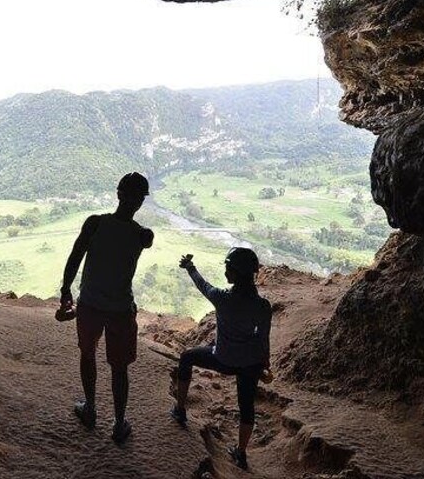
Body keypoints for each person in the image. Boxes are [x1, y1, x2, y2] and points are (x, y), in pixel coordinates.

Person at [60, 172, 154, 444]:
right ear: (140, 202)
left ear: (118, 194)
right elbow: (146, 239)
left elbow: (76, 256)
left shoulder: (94, 224)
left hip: (90, 304)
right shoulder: (142, 235)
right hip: (121, 310)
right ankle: (119, 422)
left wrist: (66, 289)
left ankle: (90, 409)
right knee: (119, 367)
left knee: (87, 355)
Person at [172, 248, 272, 471]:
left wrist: (190, 267)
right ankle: (241, 453)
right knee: (246, 406)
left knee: (187, 357)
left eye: (228, 268)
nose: (226, 271)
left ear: (235, 273)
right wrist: (264, 363)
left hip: (223, 359)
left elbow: (202, 285)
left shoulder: (222, 298)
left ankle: (180, 410)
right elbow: (263, 339)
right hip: (250, 364)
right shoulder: (263, 306)